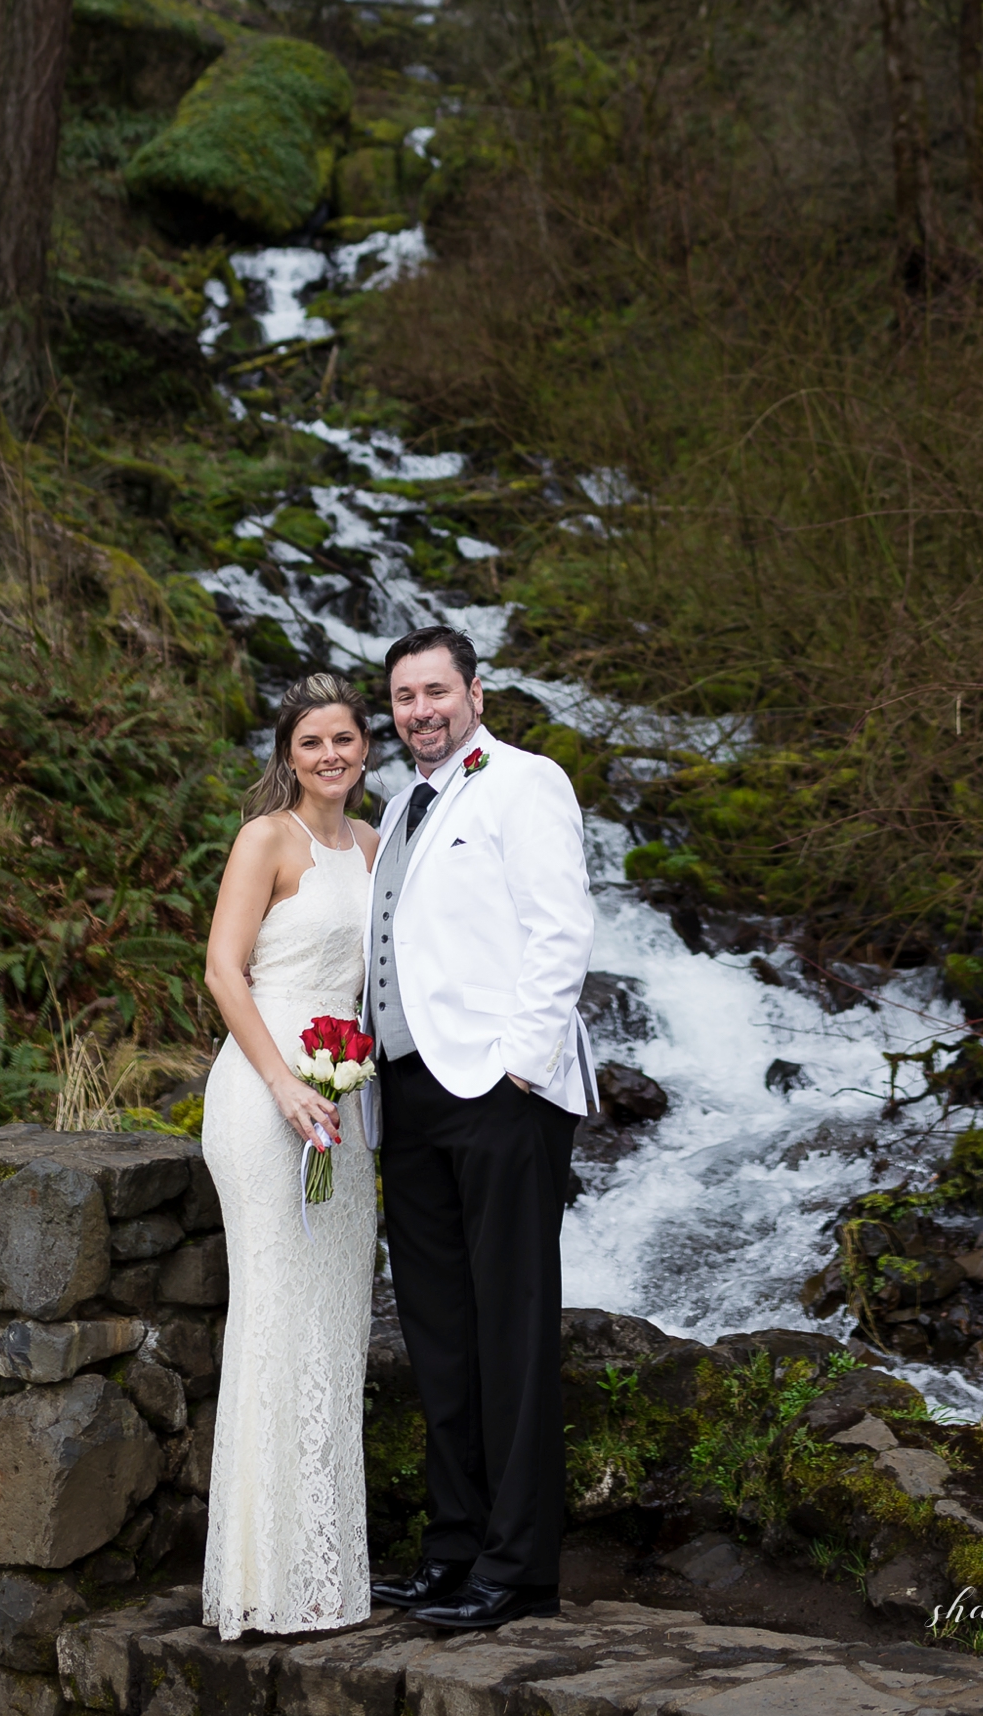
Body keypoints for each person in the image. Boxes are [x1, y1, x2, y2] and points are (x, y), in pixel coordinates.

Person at [365, 624, 597, 1633]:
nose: (419, 708)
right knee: (439, 1339)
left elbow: (561, 928)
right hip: (407, 1100)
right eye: (404, 695)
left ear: (475, 691)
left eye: (434, 690)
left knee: (508, 1334)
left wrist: (517, 1071)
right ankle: (452, 1549)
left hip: (501, 1098)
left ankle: (519, 1568)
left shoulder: (524, 781)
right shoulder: (395, 800)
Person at [200, 672, 381, 1642]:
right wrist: (281, 1083)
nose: (328, 754)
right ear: (288, 751)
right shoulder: (265, 839)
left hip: (347, 1103)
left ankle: (324, 1576)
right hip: (267, 1095)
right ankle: (260, 1578)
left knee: (332, 1325)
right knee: (275, 1318)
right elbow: (223, 969)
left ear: (364, 747)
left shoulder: (378, 844)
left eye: (344, 737)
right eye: (312, 740)